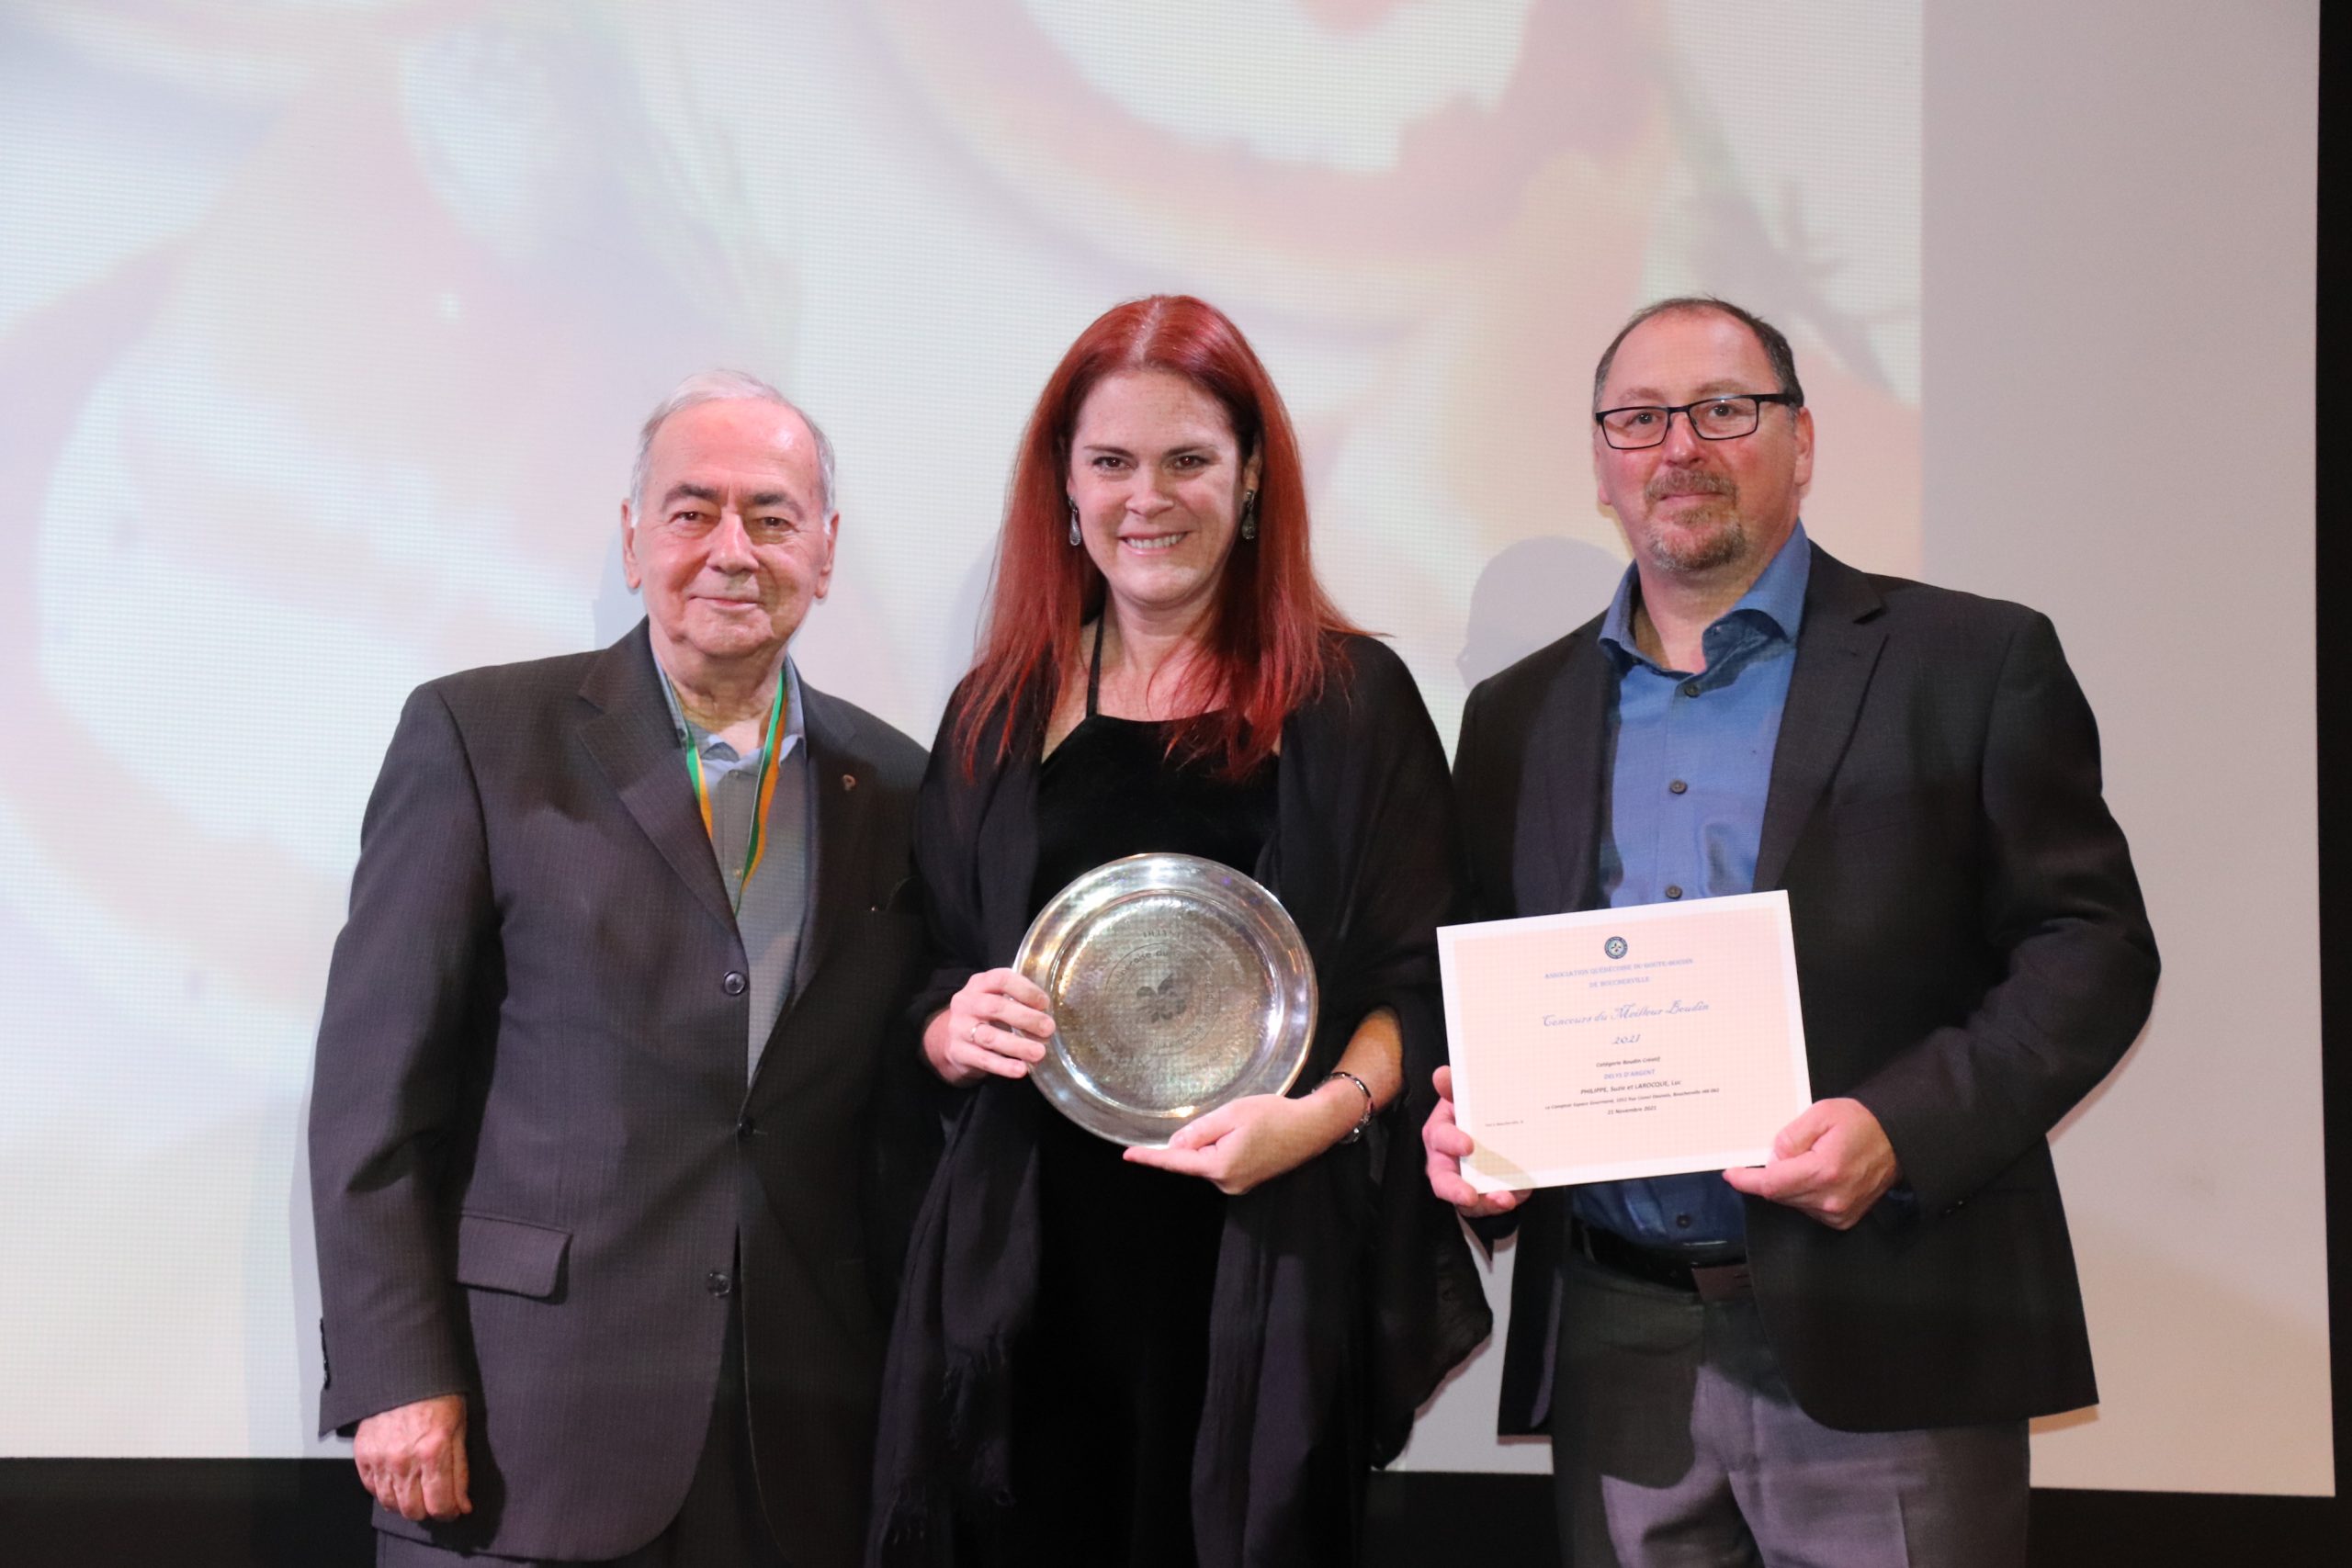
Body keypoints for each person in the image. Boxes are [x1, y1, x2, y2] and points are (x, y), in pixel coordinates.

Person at [1423, 297, 2159, 1566]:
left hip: (1890, 1312)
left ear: (1801, 442)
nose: (1678, 447)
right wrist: (1477, 1128)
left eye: (1724, 410)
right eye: (1638, 418)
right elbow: (1495, 982)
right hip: (1621, 1341)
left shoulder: (1970, 660)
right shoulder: (1514, 715)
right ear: (1601, 464)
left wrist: (1899, 1128)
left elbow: (2091, 948)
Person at [867, 295, 1490, 1567]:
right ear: (1066, 489)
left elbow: (1419, 976)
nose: (1147, 498)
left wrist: (1316, 1121)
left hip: (1262, 1257)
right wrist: (947, 1027)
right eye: (1111, 463)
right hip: (1028, 1268)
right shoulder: (997, 713)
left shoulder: (1350, 702)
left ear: (1252, 480)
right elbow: (924, 960)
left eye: (1189, 459)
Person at [309, 370, 931, 1567]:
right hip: (517, 1437)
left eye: (773, 515)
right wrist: (396, 1378)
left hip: (797, 1446)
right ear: (635, 535)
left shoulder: (899, 786)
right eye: (693, 511)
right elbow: (371, 1098)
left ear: (827, 547)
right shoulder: (480, 738)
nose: (732, 551)